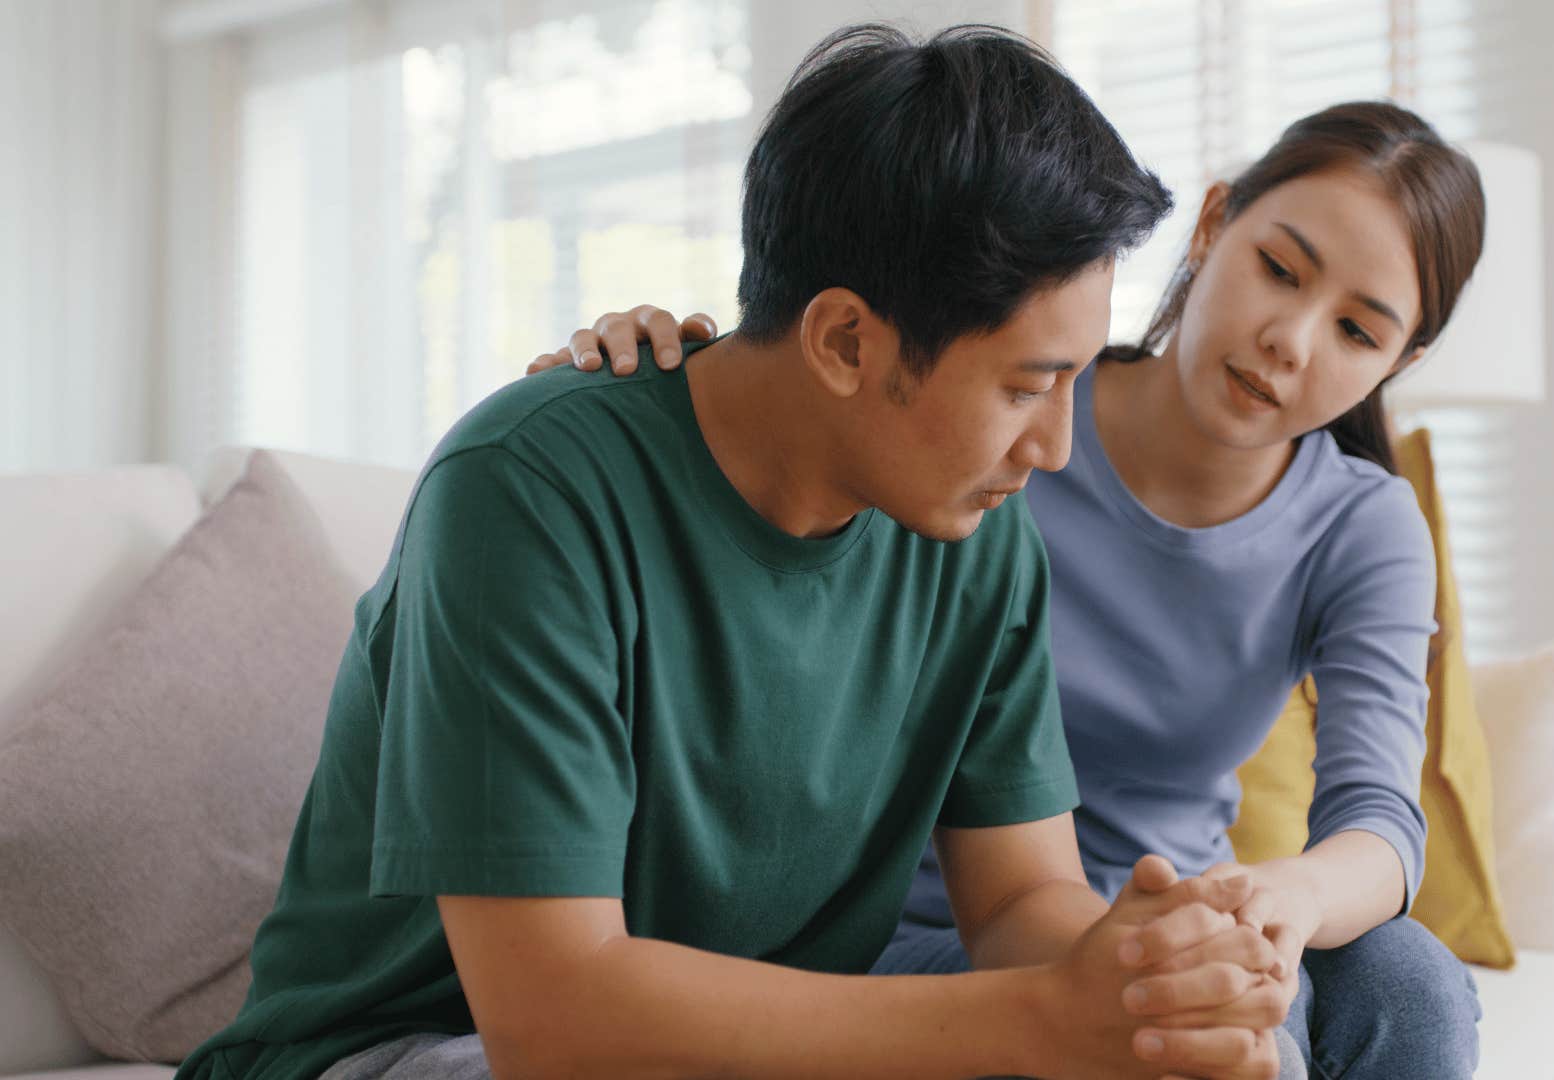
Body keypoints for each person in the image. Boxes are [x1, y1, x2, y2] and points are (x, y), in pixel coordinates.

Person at [175, 24, 1298, 1080]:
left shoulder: (977, 536)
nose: (1055, 448)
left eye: (1072, 380)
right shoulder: (525, 491)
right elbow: (550, 1019)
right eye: (1024, 386)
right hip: (400, 1049)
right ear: (847, 341)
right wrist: (1039, 1019)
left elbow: (1016, 907)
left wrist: (1142, 978)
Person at [530, 98, 1490, 1078]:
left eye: (1359, 333)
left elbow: (1379, 820)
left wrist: (1275, 902)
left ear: (1399, 365)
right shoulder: (980, 427)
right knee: (1224, 1033)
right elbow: (805, 401)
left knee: (1403, 980)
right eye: (1278, 270)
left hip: (1159, 918)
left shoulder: (1359, 524)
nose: (1291, 338)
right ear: (1212, 225)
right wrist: (662, 369)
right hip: (929, 939)